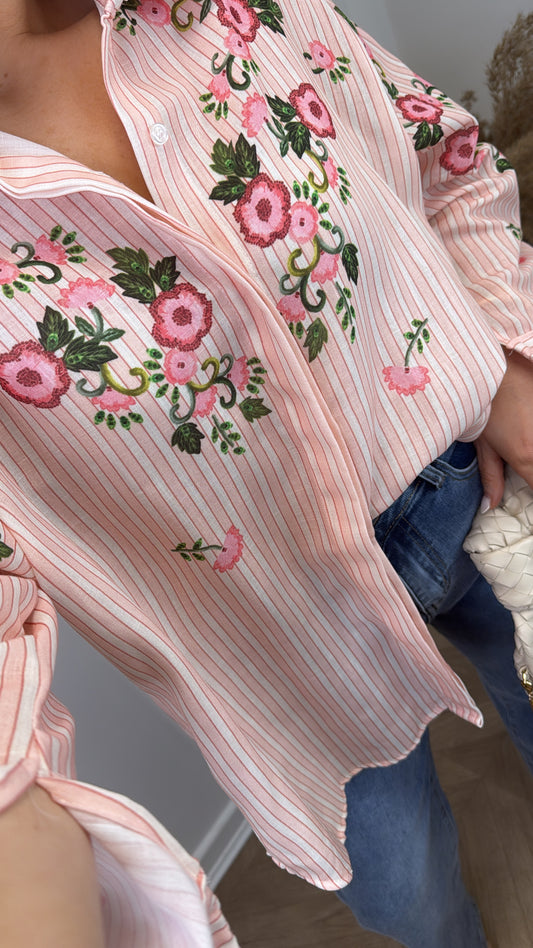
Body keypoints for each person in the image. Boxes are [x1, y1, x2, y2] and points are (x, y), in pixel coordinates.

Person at [0, 0, 531, 945]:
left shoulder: (213, 10)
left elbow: (436, 158)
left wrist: (510, 353)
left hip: (468, 481)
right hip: (277, 652)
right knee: (408, 897)